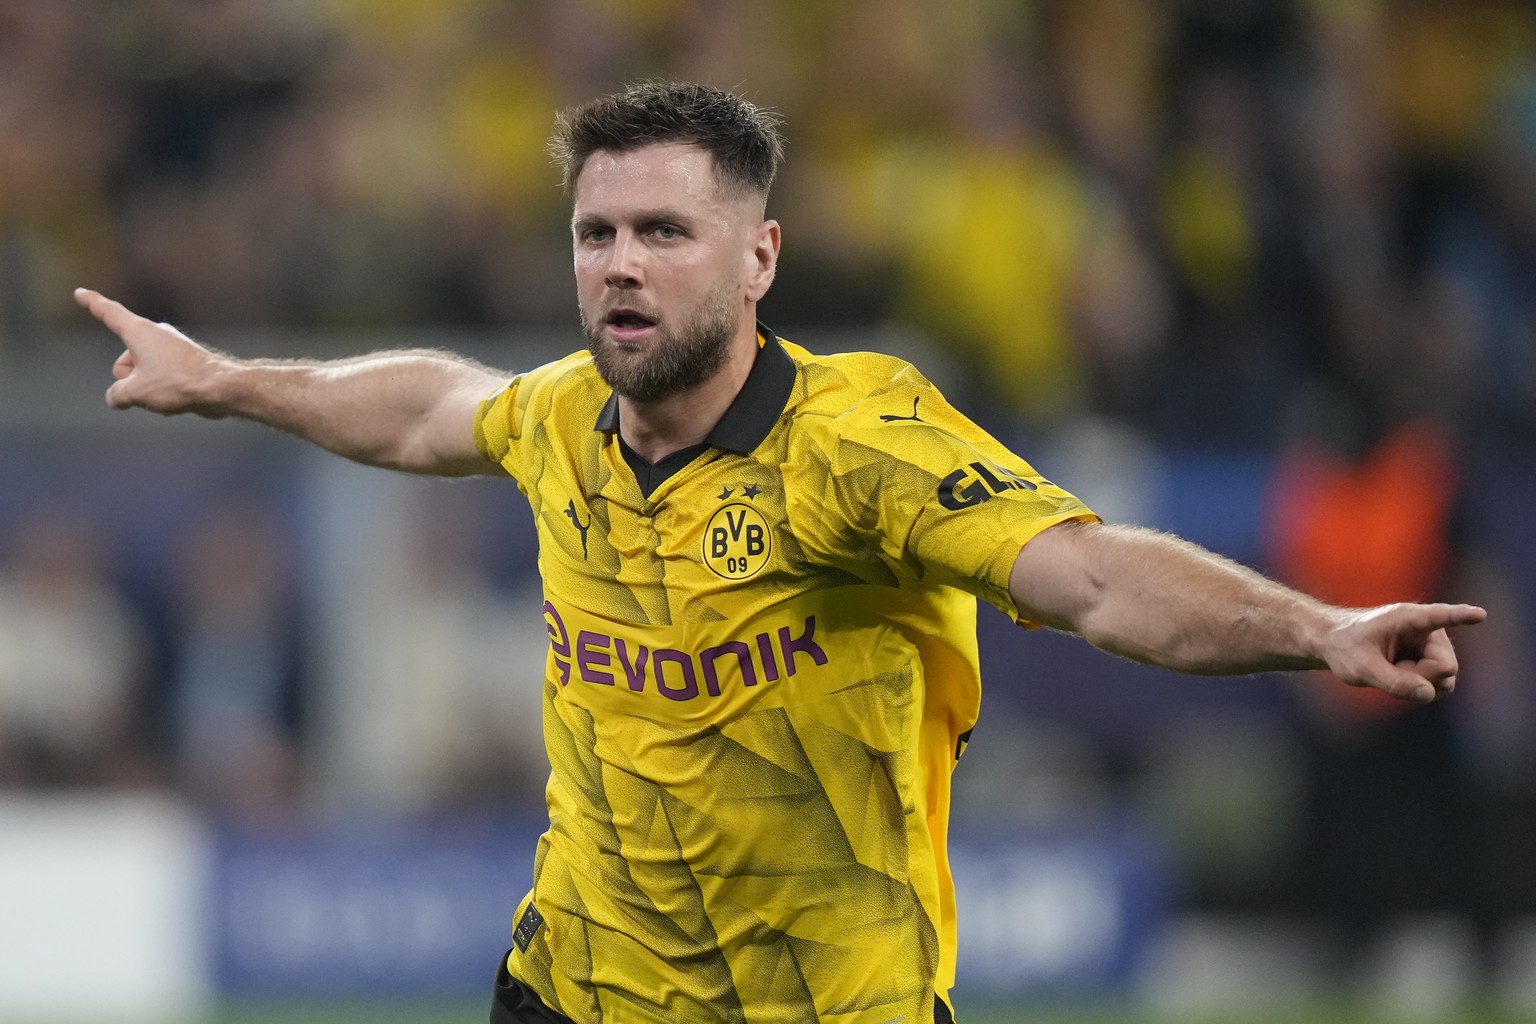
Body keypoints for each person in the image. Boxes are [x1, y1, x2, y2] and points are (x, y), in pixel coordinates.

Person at [75, 81, 1486, 1024]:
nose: (622, 264)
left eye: (666, 234)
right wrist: (232, 380)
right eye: (598, 234)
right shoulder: (564, 415)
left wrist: (1316, 629)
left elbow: (1098, 574)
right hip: (576, 988)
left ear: (757, 258)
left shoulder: (862, 441)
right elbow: (429, 405)